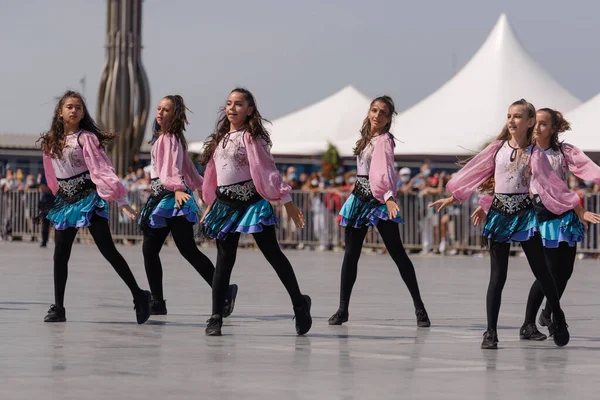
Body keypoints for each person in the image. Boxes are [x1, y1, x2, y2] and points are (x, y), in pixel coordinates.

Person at [431, 99, 582, 349]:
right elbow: (474, 172)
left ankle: (558, 317)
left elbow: (551, 184)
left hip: (524, 214)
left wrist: (575, 205)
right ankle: (491, 332)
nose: (511, 120)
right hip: (500, 214)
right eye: (509, 115)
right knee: (498, 276)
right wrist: (455, 195)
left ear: (530, 122)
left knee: (542, 272)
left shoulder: (535, 154)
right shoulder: (497, 148)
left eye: (518, 117)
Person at [472, 108, 600, 341]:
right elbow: (506, 185)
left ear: (553, 128)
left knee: (565, 271)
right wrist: (486, 204)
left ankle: (549, 313)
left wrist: (578, 209)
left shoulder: (562, 151)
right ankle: (529, 323)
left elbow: (588, 169)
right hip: (538, 215)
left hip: (563, 213)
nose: (538, 128)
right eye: (536, 123)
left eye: (544, 124)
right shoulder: (525, 151)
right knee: (546, 270)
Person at [200, 88, 312, 336]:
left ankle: (299, 302)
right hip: (225, 206)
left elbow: (267, 169)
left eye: (238, 104)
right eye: (229, 103)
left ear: (250, 109)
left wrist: (287, 200)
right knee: (223, 261)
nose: (232, 108)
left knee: (273, 255)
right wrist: (210, 205)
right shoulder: (220, 139)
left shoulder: (252, 137)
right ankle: (216, 315)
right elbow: (215, 176)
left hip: (252, 203)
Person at [38, 90, 151, 324]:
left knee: (108, 250)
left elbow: (102, 169)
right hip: (66, 203)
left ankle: (139, 295)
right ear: (60, 112)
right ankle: (59, 307)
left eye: (78, 107)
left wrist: (120, 199)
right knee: (60, 255)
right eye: (69, 106)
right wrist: (57, 197)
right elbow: (51, 174)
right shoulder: (51, 141)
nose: (74, 110)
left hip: (88, 199)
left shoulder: (86, 138)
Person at [328, 96, 430, 327]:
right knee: (350, 256)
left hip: (378, 199)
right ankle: (343, 309)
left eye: (383, 113)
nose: (377, 115)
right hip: (359, 198)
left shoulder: (384, 140)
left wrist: (389, 197)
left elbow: (383, 171)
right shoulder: (366, 139)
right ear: (368, 112)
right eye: (374, 110)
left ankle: (420, 308)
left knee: (398, 254)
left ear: (388, 119)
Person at [138, 95, 237, 317]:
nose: (160, 113)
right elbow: (189, 170)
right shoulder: (166, 138)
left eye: (166, 110)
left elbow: (173, 169)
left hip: (172, 199)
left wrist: (179, 188)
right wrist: (200, 185)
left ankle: (223, 290)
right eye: (159, 108)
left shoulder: (170, 138)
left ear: (175, 115)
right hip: (163, 198)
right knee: (156, 249)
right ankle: (159, 301)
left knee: (182, 249)